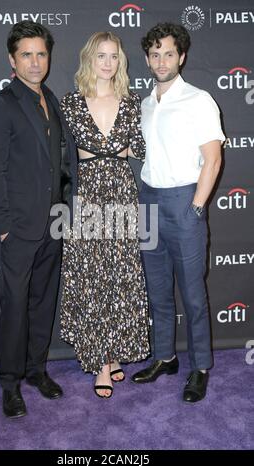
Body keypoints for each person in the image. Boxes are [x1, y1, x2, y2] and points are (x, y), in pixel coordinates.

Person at [0, 20, 77, 418]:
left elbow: (61, 164)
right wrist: (2, 225)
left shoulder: (52, 101)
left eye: (41, 54)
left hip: (53, 224)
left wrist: (66, 209)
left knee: (42, 303)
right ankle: (9, 382)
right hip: (17, 228)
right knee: (15, 305)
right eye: (26, 55)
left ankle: (37, 370)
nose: (35, 63)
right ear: (12, 59)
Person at [132, 23, 225, 402]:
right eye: (154, 54)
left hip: (184, 201)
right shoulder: (146, 102)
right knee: (157, 290)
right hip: (148, 199)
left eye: (168, 53)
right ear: (147, 59)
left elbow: (213, 159)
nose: (161, 61)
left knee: (191, 292)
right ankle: (164, 357)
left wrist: (196, 208)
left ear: (181, 56)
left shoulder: (199, 100)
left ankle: (200, 366)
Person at [60, 31, 150, 398]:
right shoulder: (71, 102)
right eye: (101, 55)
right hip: (86, 196)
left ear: (121, 62)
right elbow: (62, 153)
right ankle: (99, 362)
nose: (108, 62)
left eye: (114, 56)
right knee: (91, 277)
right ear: (89, 59)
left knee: (118, 275)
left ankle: (111, 355)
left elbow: (140, 148)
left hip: (121, 192)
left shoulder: (130, 102)